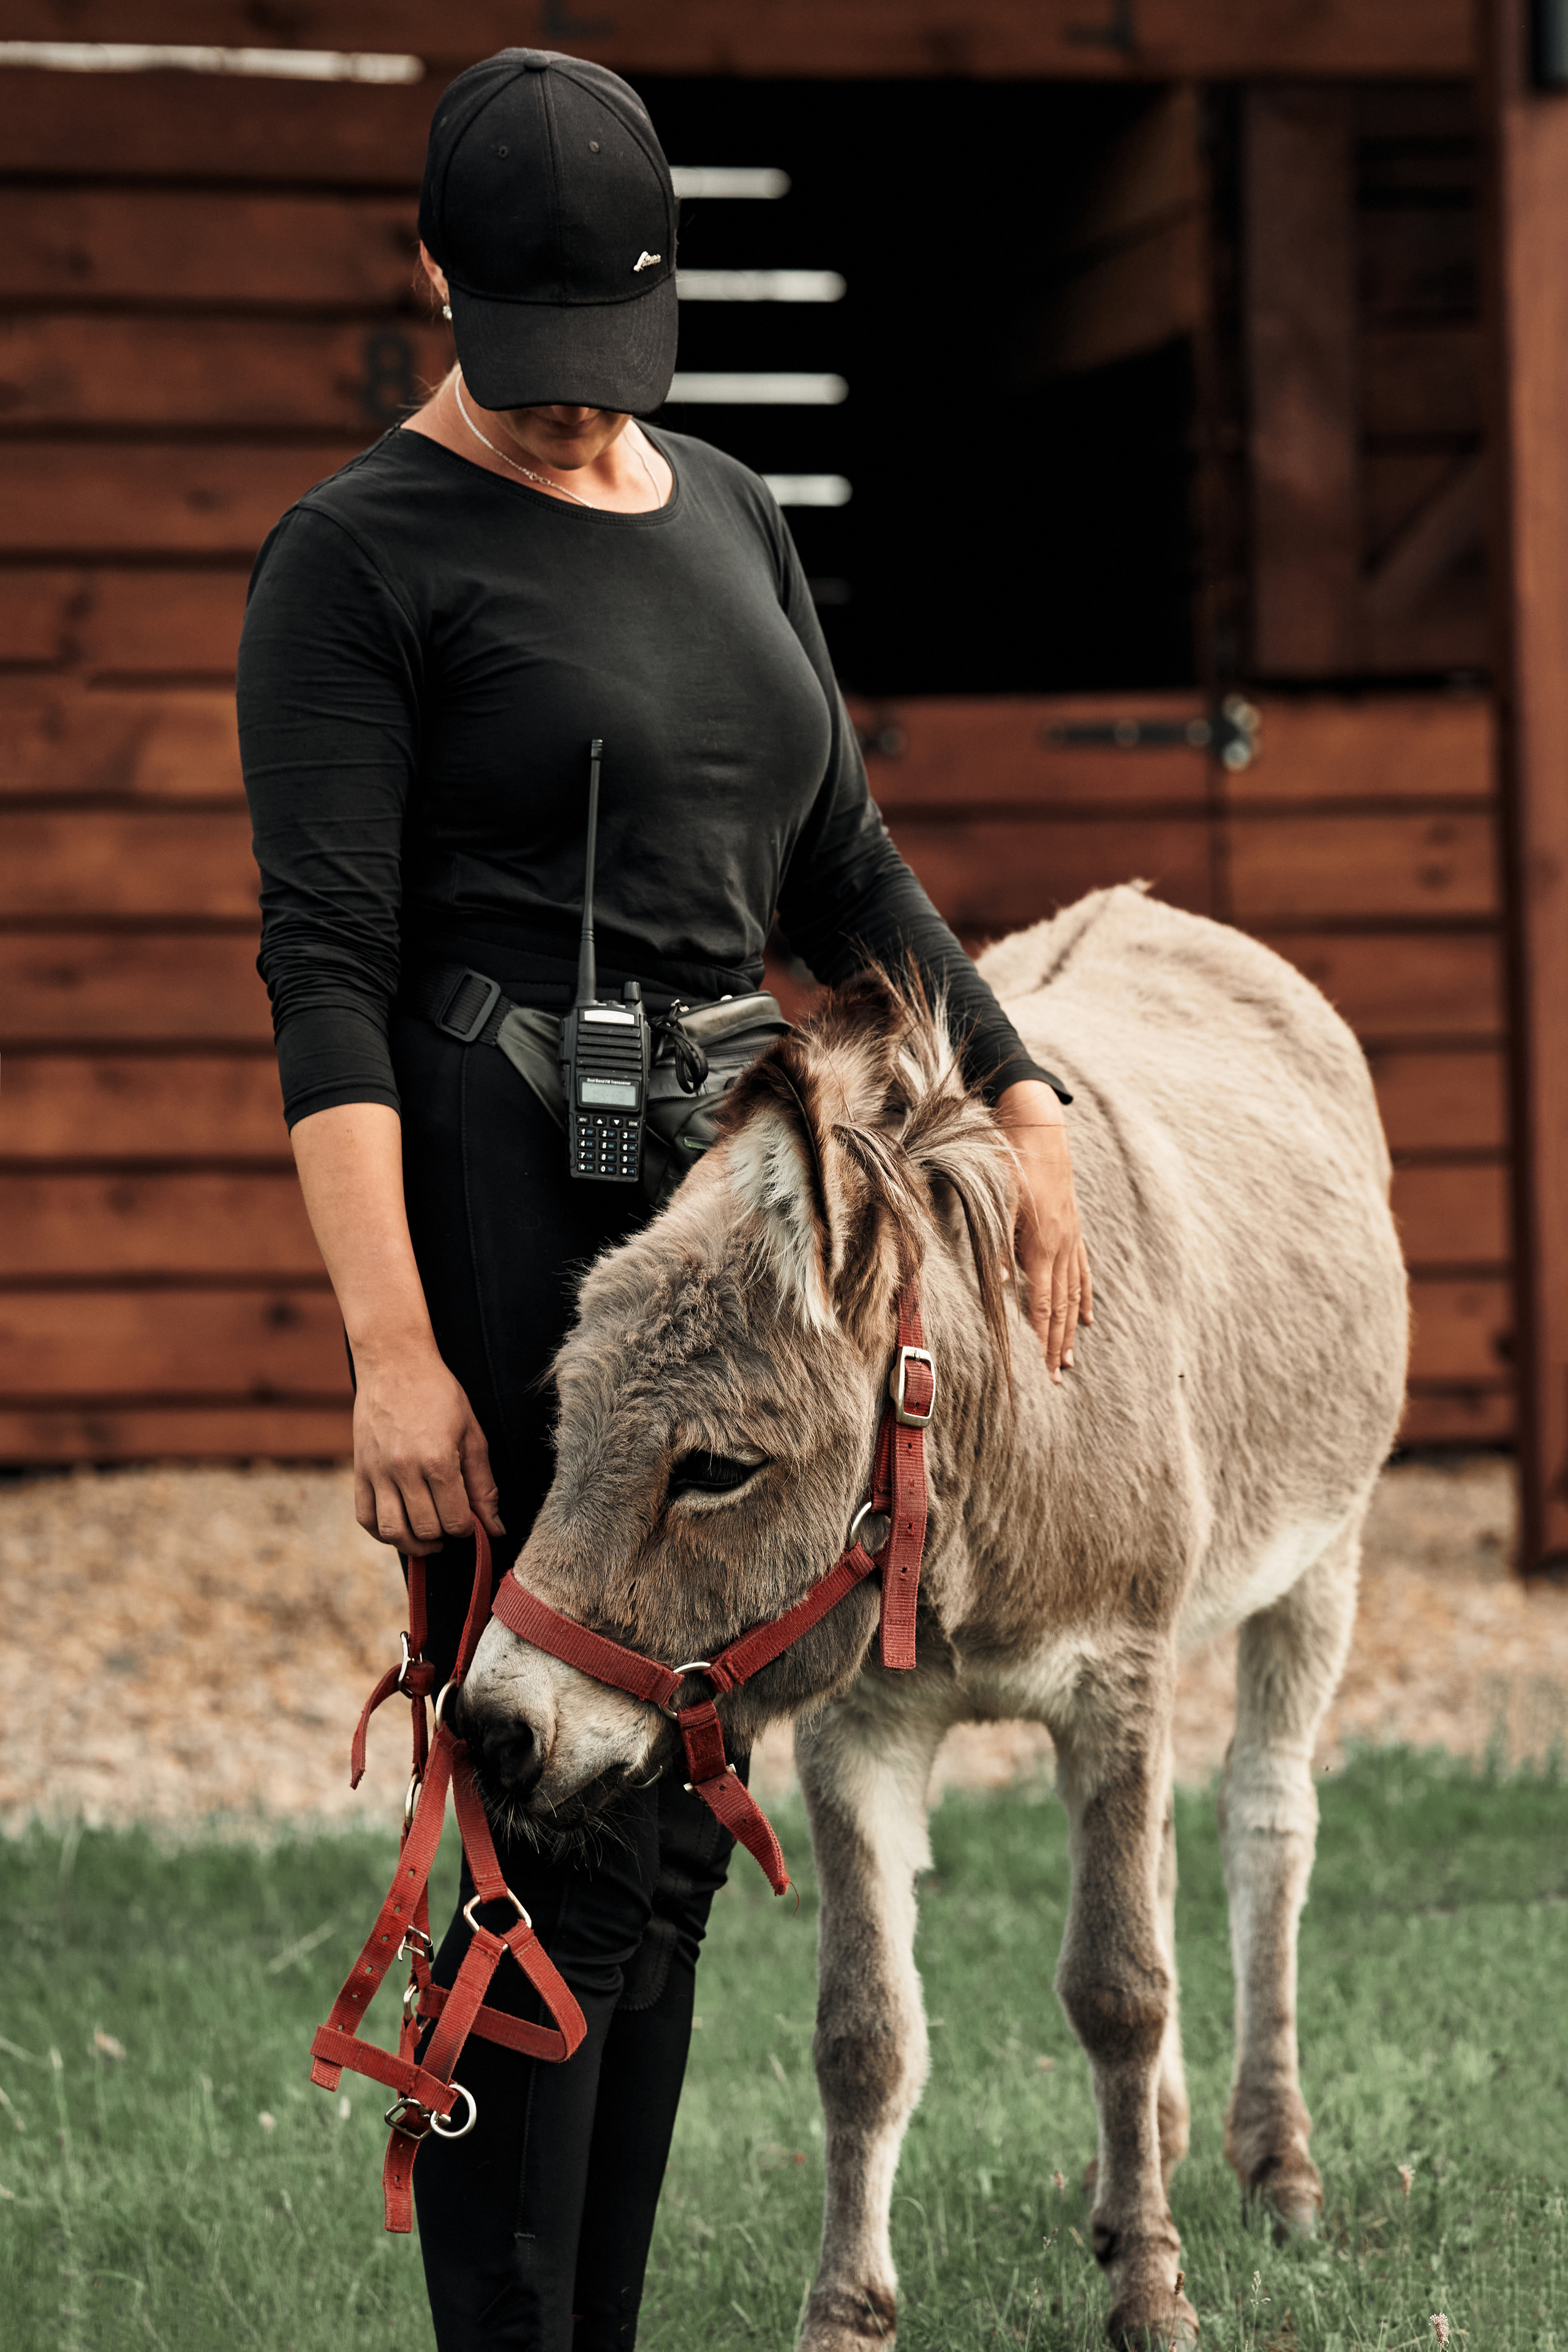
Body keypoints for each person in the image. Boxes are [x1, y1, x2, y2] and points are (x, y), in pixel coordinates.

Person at [238, 47, 1092, 2352]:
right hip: (501, 1209)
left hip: (713, 1206)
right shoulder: (352, 560)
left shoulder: (722, 502)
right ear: (435, 281)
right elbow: (321, 972)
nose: (569, 420)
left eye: (603, 371)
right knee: (533, 1832)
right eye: (527, 378)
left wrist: (1011, 1096)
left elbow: (839, 857)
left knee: (676, 1805)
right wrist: (394, 1352)